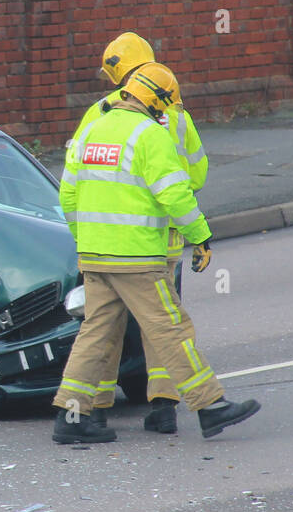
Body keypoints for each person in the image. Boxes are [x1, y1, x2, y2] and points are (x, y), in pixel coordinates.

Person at [52, 67, 261, 443]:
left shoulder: (90, 131)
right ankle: (210, 406)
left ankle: (71, 417)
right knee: (170, 327)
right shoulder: (151, 135)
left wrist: (85, 237)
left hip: (95, 254)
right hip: (137, 258)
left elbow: (67, 194)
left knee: (95, 333)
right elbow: (175, 195)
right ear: (157, 101)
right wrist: (201, 236)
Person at [90, 62, 210, 435]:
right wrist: (198, 234)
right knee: (162, 323)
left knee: (104, 327)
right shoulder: (176, 118)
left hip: (111, 237)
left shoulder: (102, 113)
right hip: (163, 235)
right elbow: (195, 175)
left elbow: (76, 172)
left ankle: (90, 409)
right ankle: (164, 407)